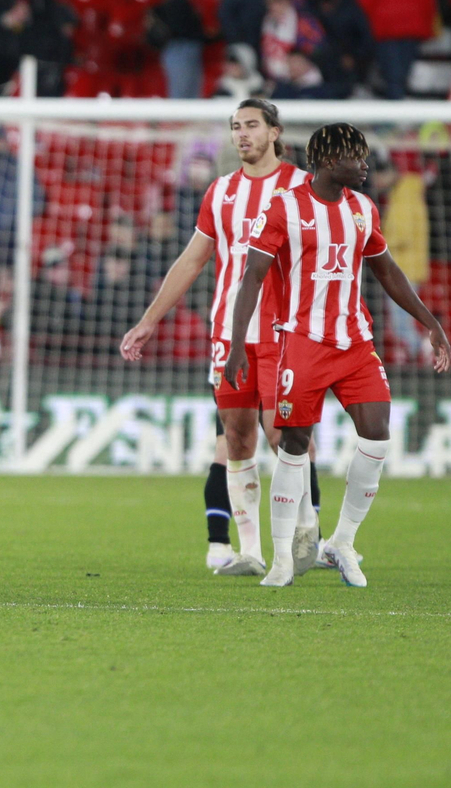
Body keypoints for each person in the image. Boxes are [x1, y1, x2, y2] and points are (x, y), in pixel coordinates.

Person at [224, 123, 451, 587]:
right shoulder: (284, 208)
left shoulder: (363, 209)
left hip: (354, 343)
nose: (365, 165)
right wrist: (236, 344)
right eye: (357, 157)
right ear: (329, 162)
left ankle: (341, 541)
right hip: (302, 342)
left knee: (377, 436)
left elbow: (387, 272)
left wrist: (431, 322)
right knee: (292, 445)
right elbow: (251, 278)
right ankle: (284, 558)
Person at [121, 99, 311, 574]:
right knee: (237, 437)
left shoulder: (302, 188)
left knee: (284, 436)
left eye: (251, 125)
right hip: (230, 331)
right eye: (235, 127)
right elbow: (192, 260)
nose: (242, 134)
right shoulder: (221, 192)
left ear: (274, 132)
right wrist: (148, 320)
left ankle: (303, 536)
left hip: (285, 331)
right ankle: (250, 551)